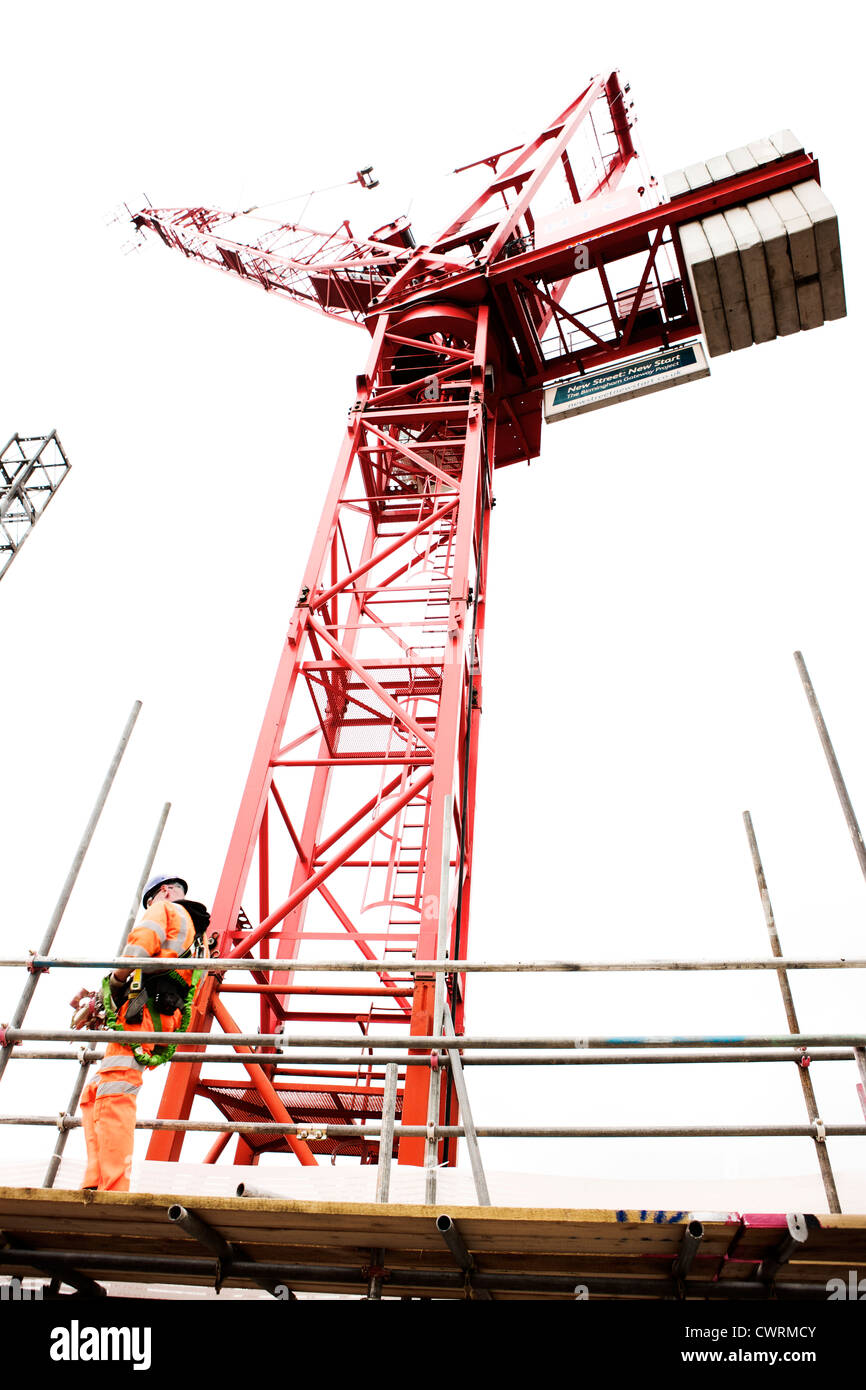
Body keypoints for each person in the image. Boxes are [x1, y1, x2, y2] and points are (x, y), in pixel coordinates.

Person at [79, 874, 210, 1192]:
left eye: (149, 902)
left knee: (114, 1093)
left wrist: (115, 985)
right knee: (94, 1094)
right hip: (161, 1016)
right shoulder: (199, 939)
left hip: (142, 1013)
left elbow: (135, 952)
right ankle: (96, 1178)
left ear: (162, 892)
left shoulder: (164, 910)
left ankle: (112, 1185)